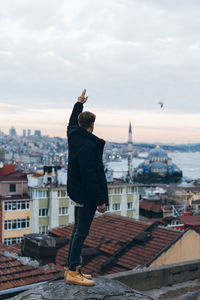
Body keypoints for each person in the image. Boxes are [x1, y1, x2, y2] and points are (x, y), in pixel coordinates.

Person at [64, 89, 108, 286]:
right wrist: (100, 201)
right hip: (86, 194)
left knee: (77, 231)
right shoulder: (89, 146)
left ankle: (73, 268)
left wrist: (78, 103)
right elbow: (91, 176)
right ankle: (73, 271)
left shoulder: (74, 135)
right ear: (92, 125)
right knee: (81, 232)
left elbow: (72, 121)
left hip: (76, 191)